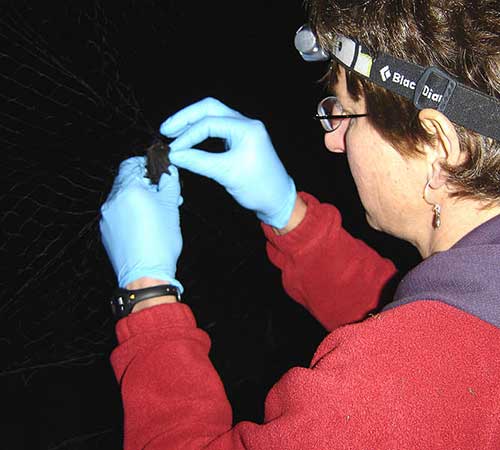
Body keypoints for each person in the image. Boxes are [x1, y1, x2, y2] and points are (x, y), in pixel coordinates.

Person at [99, 0, 500, 448]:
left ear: (438, 146)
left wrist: (148, 292)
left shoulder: (383, 391)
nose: (333, 140)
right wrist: (288, 214)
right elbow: (422, 315)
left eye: (347, 114)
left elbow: (412, 364)